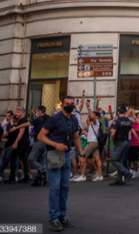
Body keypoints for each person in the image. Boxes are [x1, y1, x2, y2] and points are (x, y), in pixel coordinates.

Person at [37, 96, 86, 232]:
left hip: (66, 154)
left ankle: (62, 215)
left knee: (65, 186)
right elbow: (40, 136)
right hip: (53, 154)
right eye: (67, 104)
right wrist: (55, 144)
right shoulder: (54, 118)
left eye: (71, 104)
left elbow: (76, 138)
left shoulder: (74, 119)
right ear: (62, 105)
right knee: (55, 187)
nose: (69, 105)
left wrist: (82, 155)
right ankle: (53, 218)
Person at [74, 106, 103, 182]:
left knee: (82, 157)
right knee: (96, 158)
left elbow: (92, 118)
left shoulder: (96, 122)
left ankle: (83, 175)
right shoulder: (93, 124)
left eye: (92, 115)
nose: (90, 116)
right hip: (94, 142)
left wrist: (89, 107)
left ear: (96, 116)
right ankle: (99, 174)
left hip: (92, 142)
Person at [109, 106, 135, 186]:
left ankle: (127, 173)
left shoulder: (117, 121)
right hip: (126, 142)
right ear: (125, 112)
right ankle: (119, 179)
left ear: (118, 112)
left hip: (119, 142)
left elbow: (113, 133)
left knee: (113, 160)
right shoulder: (128, 121)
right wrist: (137, 139)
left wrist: (113, 140)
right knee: (120, 160)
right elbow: (132, 130)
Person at [29, 105, 50, 186]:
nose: (36, 112)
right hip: (45, 141)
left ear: (40, 111)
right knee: (40, 160)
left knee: (31, 158)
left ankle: (43, 171)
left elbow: (29, 124)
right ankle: (39, 178)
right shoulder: (48, 118)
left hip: (40, 141)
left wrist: (16, 127)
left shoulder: (39, 119)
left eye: (37, 111)